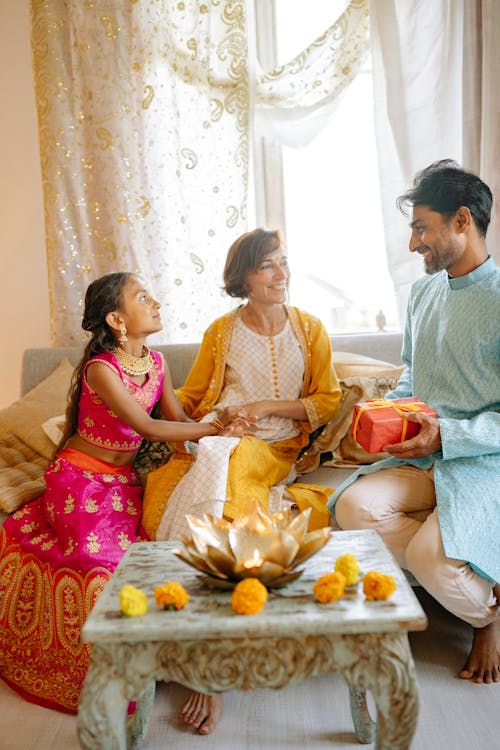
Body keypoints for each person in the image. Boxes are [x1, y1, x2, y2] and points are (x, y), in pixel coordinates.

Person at [0, 271, 246, 714]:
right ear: (116, 319)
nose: (155, 303)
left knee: (160, 554)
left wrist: (206, 445)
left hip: (123, 485)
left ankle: (198, 671)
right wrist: (213, 427)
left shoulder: (157, 362)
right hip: (78, 480)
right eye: (142, 298)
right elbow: (148, 426)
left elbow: (173, 427)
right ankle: (115, 678)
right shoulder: (100, 368)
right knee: (99, 563)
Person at [142, 227, 342, 732]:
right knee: (165, 489)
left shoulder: (310, 328)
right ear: (245, 277)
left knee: (230, 465)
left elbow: (327, 401)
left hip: (273, 449)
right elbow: (188, 397)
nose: (282, 273)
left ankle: (211, 669)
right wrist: (145, 391)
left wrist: (264, 407)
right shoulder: (221, 331)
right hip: (218, 440)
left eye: (284, 262)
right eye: (269, 265)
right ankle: (185, 630)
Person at [328, 160, 500, 685]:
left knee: (429, 558)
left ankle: (488, 616)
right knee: (354, 509)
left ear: (462, 221)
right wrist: (384, 418)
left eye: (421, 227)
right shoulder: (423, 294)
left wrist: (449, 433)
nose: (412, 244)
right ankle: (475, 579)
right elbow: (411, 380)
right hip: (421, 454)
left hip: (481, 461)